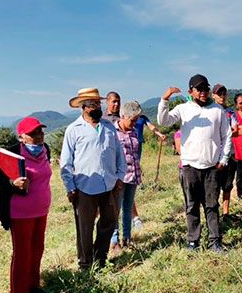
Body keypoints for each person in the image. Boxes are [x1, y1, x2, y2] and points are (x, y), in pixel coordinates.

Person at [157, 74, 232, 252]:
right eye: (199, 89)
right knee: (191, 206)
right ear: (191, 91)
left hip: (212, 167)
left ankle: (215, 241)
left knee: (212, 205)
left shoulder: (217, 110)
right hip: (190, 166)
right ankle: (193, 241)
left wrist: (224, 159)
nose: (204, 92)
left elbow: (226, 136)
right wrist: (165, 99)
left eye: (206, 88)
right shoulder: (184, 109)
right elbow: (163, 121)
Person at [0, 117, 52, 293]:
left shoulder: (45, 150)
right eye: (33, 133)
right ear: (22, 137)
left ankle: (33, 286)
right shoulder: (12, 153)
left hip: (41, 210)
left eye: (40, 131)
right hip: (20, 213)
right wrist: (12, 184)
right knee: (22, 253)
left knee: (37, 249)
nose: (39, 136)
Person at [60, 88, 126, 269]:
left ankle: (100, 257)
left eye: (98, 103)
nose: (97, 106)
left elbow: (119, 154)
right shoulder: (73, 130)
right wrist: (70, 187)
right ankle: (85, 263)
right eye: (92, 104)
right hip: (84, 187)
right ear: (83, 106)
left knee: (109, 223)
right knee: (85, 228)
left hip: (109, 185)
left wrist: (120, 177)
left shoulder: (109, 127)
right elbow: (65, 163)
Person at [105, 91, 166, 229]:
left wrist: (159, 134)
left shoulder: (134, 125)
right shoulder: (105, 121)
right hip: (116, 171)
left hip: (133, 165)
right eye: (114, 101)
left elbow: (150, 127)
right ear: (107, 102)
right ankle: (113, 238)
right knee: (114, 205)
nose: (116, 104)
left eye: (118, 101)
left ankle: (130, 229)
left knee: (128, 201)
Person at [110, 101, 144, 252]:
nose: (134, 123)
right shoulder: (112, 133)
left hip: (133, 176)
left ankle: (127, 238)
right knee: (116, 210)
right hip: (119, 179)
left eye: (136, 120)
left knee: (128, 208)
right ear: (123, 116)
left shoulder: (134, 131)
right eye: (132, 120)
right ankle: (114, 240)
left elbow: (135, 154)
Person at [212, 84, 238, 216]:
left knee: (227, 185)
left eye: (224, 94)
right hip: (214, 155)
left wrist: (222, 133)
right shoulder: (209, 111)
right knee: (214, 186)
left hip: (229, 153)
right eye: (219, 94)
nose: (222, 96)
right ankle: (214, 213)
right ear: (213, 96)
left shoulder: (230, 112)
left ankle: (226, 213)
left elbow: (235, 129)